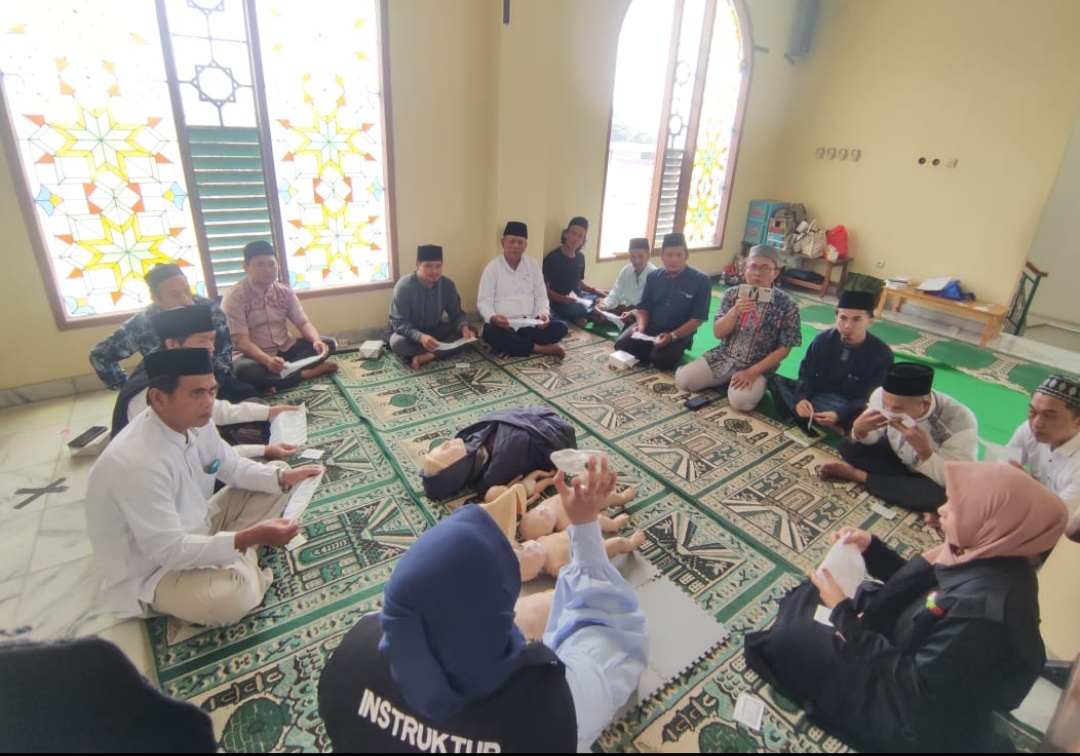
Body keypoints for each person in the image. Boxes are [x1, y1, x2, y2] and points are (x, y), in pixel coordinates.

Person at [318, 457, 647, 753]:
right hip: (550, 710)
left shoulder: (353, 654)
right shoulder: (552, 703)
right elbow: (613, 630)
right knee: (564, 610)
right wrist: (585, 528)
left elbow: (419, 604)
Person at [744, 461, 1067, 752]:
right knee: (822, 597)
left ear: (992, 522)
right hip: (916, 644)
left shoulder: (982, 616)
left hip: (909, 712)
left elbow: (915, 684)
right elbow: (922, 584)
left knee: (792, 638)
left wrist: (844, 616)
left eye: (955, 508)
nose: (941, 510)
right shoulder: (993, 554)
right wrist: (872, 549)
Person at [85, 348, 322, 626]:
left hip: (200, 524)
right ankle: (242, 559)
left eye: (212, 391)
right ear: (158, 398)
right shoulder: (136, 463)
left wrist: (283, 479)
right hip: (154, 570)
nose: (209, 403)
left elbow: (231, 466)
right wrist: (244, 539)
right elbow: (167, 550)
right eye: (197, 393)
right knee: (229, 599)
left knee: (278, 475)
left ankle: (235, 558)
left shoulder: (196, 422)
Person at [111, 305, 299, 459]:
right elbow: (198, 457)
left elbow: (213, 410)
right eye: (203, 340)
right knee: (258, 464)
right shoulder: (152, 391)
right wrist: (262, 451)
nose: (211, 347)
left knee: (256, 405)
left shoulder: (180, 367)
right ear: (172, 344)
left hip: (197, 452)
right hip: (173, 470)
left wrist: (270, 411)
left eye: (212, 339)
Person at [819, 363, 978, 514]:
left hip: (930, 476)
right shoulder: (881, 396)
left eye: (897, 408)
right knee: (849, 445)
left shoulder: (959, 422)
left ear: (924, 404)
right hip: (897, 460)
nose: (889, 412)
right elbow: (874, 435)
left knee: (941, 497)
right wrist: (860, 430)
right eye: (885, 405)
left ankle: (861, 476)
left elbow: (956, 479)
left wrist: (925, 452)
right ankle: (899, 486)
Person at [89, 262, 258, 403]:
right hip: (171, 390)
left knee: (249, 397)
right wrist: (128, 388)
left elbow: (223, 351)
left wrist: (212, 388)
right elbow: (100, 355)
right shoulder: (142, 324)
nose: (185, 300)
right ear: (155, 299)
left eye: (187, 291)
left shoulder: (208, 309)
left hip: (212, 380)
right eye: (174, 295)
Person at [675, 245, 801, 411]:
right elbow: (718, 333)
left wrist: (753, 372)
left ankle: (746, 383)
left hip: (758, 365)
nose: (758, 273)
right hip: (725, 356)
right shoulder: (732, 294)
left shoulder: (787, 304)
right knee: (683, 380)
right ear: (745, 270)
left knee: (741, 402)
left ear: (775, 273)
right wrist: (734, 312)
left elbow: (785, 348)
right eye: (753, 266)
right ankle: (728, 379)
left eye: (765, 268)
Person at [221, 240, 338, 392]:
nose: (268, 270)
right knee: (247, 372)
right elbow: (242, 342)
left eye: (272, 264)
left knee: (328, 344)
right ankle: (307, 373)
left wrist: (316, 341)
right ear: (246, 268)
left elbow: (303, 323)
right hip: (252, 356)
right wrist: (267, 361)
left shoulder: (285, 292)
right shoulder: (235, 297)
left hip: (284, 349)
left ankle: (276, 379)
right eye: (260, 265)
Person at [769, 290, 893, 433]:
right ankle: (826, 421)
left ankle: (815, 417)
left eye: (856, 319)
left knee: (878, 416)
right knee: (775, 380)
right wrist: (802, 399)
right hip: (819, 395)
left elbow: (873, 397)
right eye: (843, 318)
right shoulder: (823, 340)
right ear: (836, 317)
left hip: (851, 405)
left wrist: (840, 414)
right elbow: (806, 374)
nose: (847, 326)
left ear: (870, 321)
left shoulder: (881, 354)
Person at [612, 232, 711, 371]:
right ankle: (650, 349)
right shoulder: (654, 277)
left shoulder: (701, 280)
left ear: (686, 255)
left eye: (679, 255)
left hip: (677, 333)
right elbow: (643, 308)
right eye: (669, 255)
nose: (674, 259)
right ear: (662, 256)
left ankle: (655, 352)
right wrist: (641, 327)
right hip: (650, 327)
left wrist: (672, 336)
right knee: (621, 345)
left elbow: (697, 319)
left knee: (662, 361)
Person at [477, 221, 569, 358]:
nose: (515, 246)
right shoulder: (492, 268)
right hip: (505, 326)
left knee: (561, 327)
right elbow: (484, 302)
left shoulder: (533, 265)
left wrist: (543, 313)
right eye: (511, 241)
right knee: (489, 333)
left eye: (520, 242)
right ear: (503, 243)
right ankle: (540, 348)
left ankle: (519, 346)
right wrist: (493, 317)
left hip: (531, 323)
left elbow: (541, 295)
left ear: (525, 246)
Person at [385, 244, 477, 370]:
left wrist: (464, 328)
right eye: (428, 266)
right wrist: (421, 337)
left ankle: (429, 355)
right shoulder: (404, 286)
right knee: (397, 343)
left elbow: (456, 314)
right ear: (417, 265)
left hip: (434, 331)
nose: (434, 271)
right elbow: (399, 322)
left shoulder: (448, 285)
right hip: (410, 336)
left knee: (472, 331)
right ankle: (440, 351)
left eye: (438, 266)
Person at [1005, 375, 1080, 524]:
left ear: (1078, 423)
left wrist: (1029, 487)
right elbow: (1001, 468)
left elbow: (1061, 519)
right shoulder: (1029, 429)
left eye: (1049, 416)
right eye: (1032, 412)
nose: (1036, 423)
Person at [542, 216, 608, 327]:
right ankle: (586, 316)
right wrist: (562, 299)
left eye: (580, 236)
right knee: (579, 309)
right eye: (573, 233)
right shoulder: (553, 258)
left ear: (583, 240)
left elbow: (579, 282)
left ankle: (587, 315)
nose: (576, 239)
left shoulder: (580, 257)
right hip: (559, 303)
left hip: (578, 298)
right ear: (565, 234)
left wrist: (596, 290)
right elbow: (544, 289)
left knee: (601, 299)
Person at [595, 237, 657, 325]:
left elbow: (652, 304)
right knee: (598, 310)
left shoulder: (654, 274)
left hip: (643, 314)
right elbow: (616, 293)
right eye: (633, 256)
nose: (637, 261)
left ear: (648, 255)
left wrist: (633, 313)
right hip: (627, 309)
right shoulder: (626, 271)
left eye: (640, 256)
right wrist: (604, 305)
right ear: (629, 256)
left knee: (633, 324)